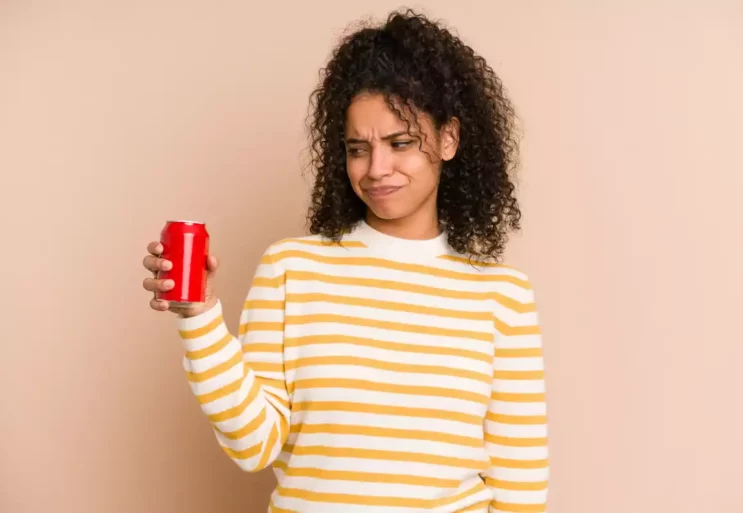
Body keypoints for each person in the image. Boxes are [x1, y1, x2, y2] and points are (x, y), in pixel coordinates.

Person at [142, 9, 548, 513]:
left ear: (449, 139)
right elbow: (254, 445)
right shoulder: (291, 270)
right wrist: (199, 318)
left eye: (400, 143)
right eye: (358, 149)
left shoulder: (501, 296)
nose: (377, 169)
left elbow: (521, 487)